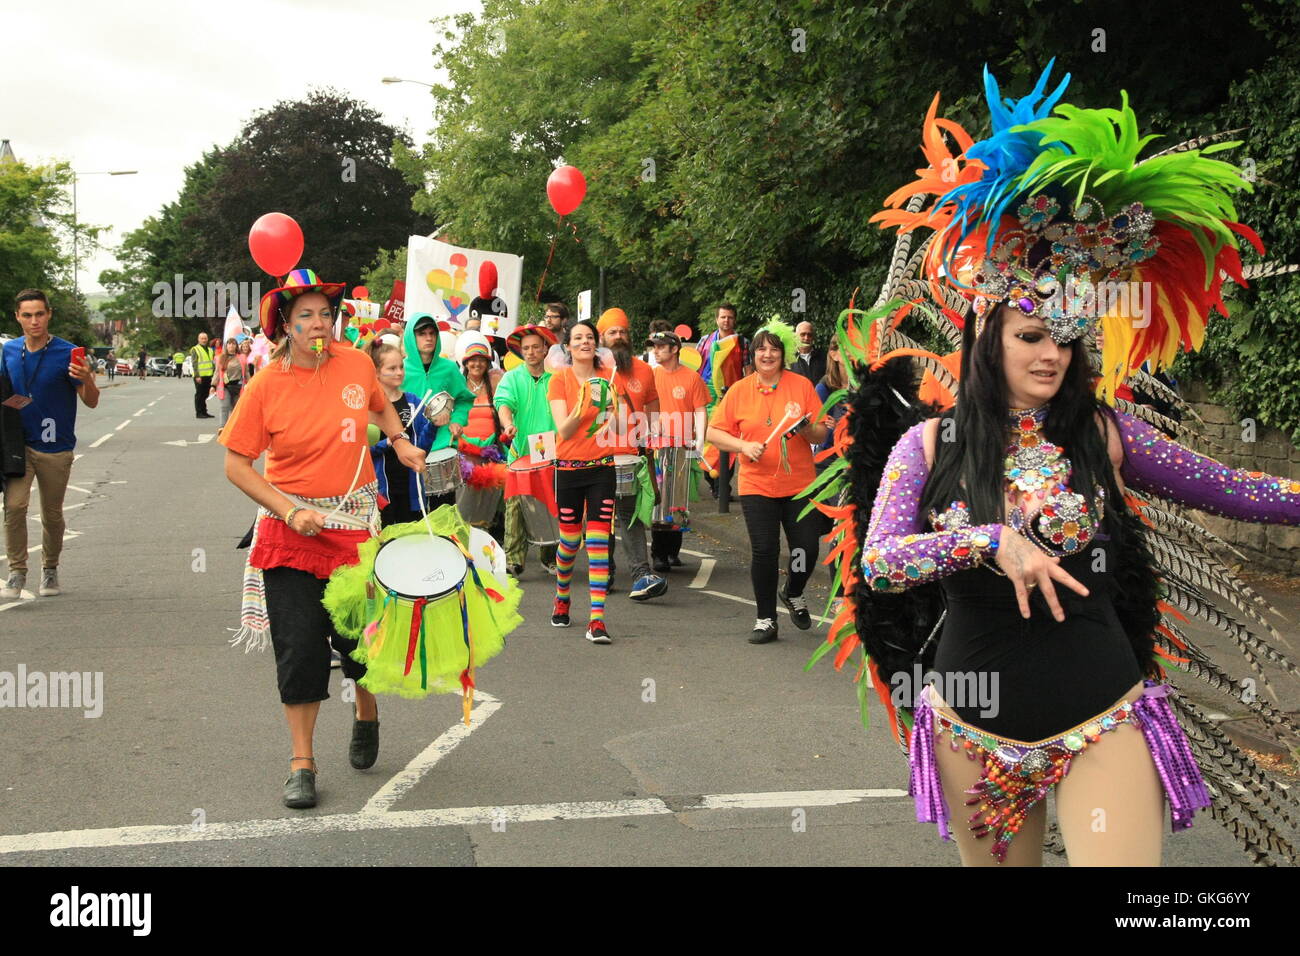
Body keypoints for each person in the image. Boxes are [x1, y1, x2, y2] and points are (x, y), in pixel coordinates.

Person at [828, 61, 1300, 866]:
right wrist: (986, 542)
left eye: (1067, 339)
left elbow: (1240, 488)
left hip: (1103, 710)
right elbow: (879, 562)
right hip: (973, 724)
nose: (1052, 355)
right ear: (987, 337)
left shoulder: (1103, 433)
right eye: (1031, 336)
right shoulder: (928, 446)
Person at [221, 268, 427, 810]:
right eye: (305, 315)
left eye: (324, 314)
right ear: (285, 326)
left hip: (355, 523)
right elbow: (237, 465)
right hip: (291, 530)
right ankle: (302, 762)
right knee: (299, 646)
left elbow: (379, 408)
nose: (319, 323)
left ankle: (366, 710)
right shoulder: (265, 385)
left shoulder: (358, 364)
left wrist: (402, 442)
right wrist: (289, 510)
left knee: (359, 639)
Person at [706, 318, 830, 643]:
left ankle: (794, 590)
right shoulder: (739, 390)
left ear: (783, 353)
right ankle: (765, 619)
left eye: (774, 349)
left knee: (806, 547)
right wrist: (744, 445)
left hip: (799, 483)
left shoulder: (801, 386)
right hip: (757, 484)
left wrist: (806, 428)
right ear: (753, 355)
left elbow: (821, 431)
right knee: (765, 550)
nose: (767, 354)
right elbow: (713, 432)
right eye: (761, 348)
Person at [1, 289, 99, 599]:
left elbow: (92, 402)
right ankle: (17, 571)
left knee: (52, 514)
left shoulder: (68, 353)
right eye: (27, 315)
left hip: (55, 447)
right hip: (18, 445)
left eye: (39, 314)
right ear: (17, 317)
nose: (34, 321)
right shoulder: (8, 351)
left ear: (49, 314)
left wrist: (87, 378)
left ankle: (50, 568)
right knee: (14, 507)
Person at [547, 320, 617, 643]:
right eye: (578, 338)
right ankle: (562, 596)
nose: (585, 342)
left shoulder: (608, 380)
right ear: (568, 347)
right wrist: (584, 402)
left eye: (590, 338)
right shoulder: (559, 381)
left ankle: (597, 620)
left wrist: (613, 412)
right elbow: (564, 430)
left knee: (598, 541)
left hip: (602, 467)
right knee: (570, 542)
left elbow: (612, 426)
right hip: (568, 469)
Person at [599, 308, 667, 601]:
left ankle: (641, 574)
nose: (619, 337)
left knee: (629, 516)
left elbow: (652, 411)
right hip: (598, 457)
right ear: (602, 337)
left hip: (632, 456)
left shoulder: (644, 370)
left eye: (623, 332)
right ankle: (605, 572)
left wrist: (650, 449)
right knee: (602, 518)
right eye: (613, 332)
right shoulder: (591, 369)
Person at [496, 323, 559, 576]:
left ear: (545, 349)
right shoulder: (511, 377)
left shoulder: (557, 380)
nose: (531, 352)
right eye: (526, 348)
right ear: (520, 352)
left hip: (550, 451)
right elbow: (504, 403)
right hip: (519, 451)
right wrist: (508, 424)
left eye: (535, 347)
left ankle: (550, 557)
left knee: (548, 503)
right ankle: (513, 560)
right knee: (514, 506)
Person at [648, 330, 709, 572]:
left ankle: (673, 551)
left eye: (661, 346)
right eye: (654, 346)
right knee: (660, 500)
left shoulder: (691, 378)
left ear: (674, 349)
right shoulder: (651, 376)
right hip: (658, 447)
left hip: (682, 446)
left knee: (678, 501)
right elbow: (645, 407)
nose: (656, 350)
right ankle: (658, 554)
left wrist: (701, 440)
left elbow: (700, 410)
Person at [366, 341, 439, 527]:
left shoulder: (414, 402)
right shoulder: (367, 406)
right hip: (380, 493)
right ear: (376, 372)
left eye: (401, 367)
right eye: (392, 368)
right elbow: (360, 454)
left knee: (412, 544)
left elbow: (421, 449)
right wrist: (387, 443)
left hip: (411, 489)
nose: (399, 372)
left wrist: (433, 425)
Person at [401, 313, 474, 469]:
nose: (429, 338)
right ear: (411, 337)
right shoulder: (400, 369)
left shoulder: (449, 368)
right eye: (422, 334)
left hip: (443, 445)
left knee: (445, 494)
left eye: (432, 333)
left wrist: (457, 421)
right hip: (409, 446)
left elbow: (464, 399)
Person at [212, 337, 245, 426]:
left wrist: (249, 384)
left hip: (238, 387)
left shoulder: (241, 358)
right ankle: (223, 427)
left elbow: (246, 373)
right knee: (224, 407)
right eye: (229, 344)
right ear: (226, 346)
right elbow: (217, 373)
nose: (231, 346)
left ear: (236, 346)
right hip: (225, 387)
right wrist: (213, 386)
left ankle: (234, 428)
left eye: (233, 344)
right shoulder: (221, 358)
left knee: (236, 409)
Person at [189, 331, 215, 418]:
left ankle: (204, 411)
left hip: (209, 375)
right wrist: (197, 375)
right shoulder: (195, 349)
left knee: (205, 394)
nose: (204, 340)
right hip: (200, 376)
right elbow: (195, 363)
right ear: (198, 339)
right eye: (202, 338)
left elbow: (212, 363)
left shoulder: (210, 350)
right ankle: (199, 412)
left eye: (205, 338)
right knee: (199, 395)